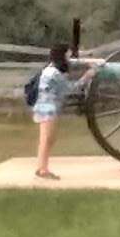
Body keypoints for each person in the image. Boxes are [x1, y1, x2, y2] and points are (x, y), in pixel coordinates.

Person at [32, 44, 95, 180]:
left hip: (46, 106)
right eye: (67, 54)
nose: (69, 57)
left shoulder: (51, 69)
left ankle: (41, 168)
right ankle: (43, 170)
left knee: (47, 139)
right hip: (47, 107)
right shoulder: (54, 73)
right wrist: (87, 76)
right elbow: (70, 89)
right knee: (47, 139)